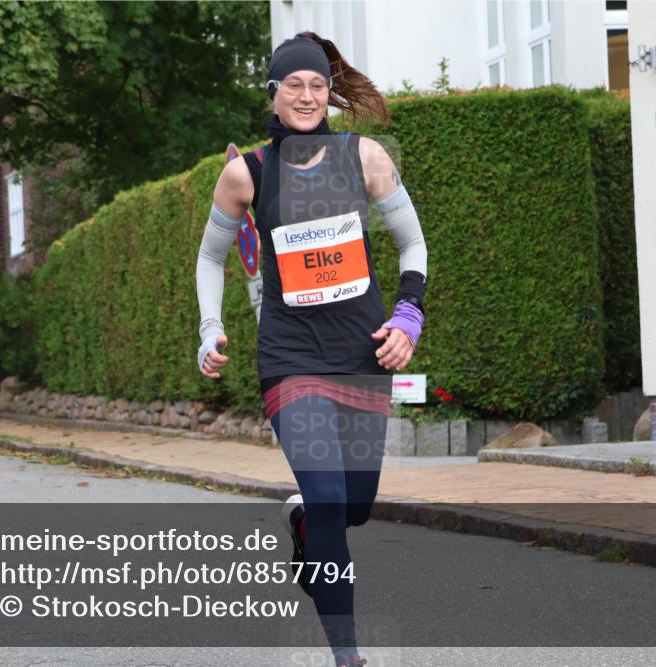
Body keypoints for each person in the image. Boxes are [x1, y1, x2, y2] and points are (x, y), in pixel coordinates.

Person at [195, 32, 427, 667]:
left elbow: (414, 245)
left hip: (362, 357)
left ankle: (304, 527)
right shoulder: (247, 173)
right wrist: (209, 329)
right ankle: (348, 655)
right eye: (293, 84)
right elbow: (211, 256)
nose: (306, 95)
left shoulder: (366, 158)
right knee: (327, 498)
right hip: (291, 360)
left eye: (318, 85)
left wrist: (409, 315)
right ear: (273, 93)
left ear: (330, 93)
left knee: (351, 508)